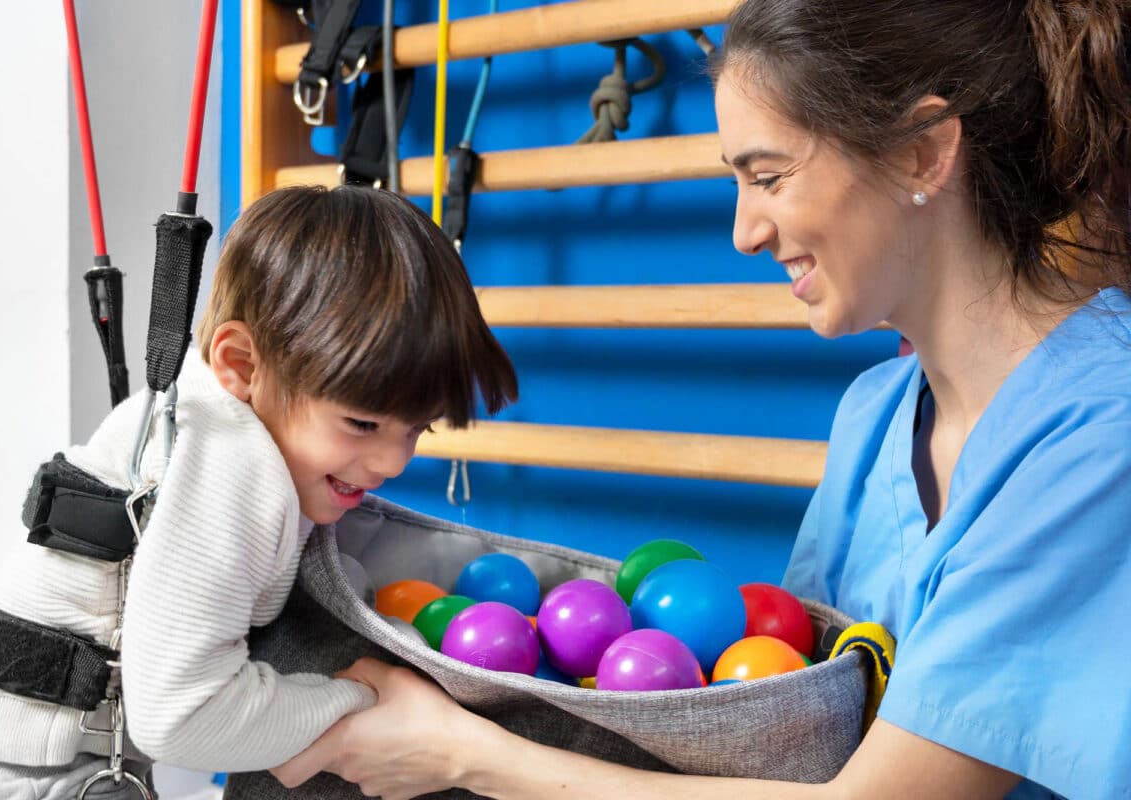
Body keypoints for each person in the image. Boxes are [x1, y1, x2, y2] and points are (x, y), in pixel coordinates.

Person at [268, 1, 1131, 798]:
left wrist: (465, 753)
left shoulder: (1103, 430)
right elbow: (788, 730)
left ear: (921, 152)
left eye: (770, 176)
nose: (744, 232)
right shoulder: (876, 414)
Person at [0, 185, 519, 798]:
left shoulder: (202, 413)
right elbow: (182, 715)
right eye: (363, 424)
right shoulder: (232, 462)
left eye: (417, 428)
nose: (393, 461)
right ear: (241, 364)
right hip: (25, 781)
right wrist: (359, 703)